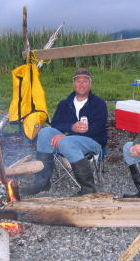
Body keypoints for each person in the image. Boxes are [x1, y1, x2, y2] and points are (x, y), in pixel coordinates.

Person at [20, 68, 108, 196]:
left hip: (93, 141)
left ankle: (88, 190)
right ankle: (42, 182)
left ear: (90, 84)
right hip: (68, 140)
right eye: (78, 81)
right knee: (45, 132)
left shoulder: (98, 104)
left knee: (66, 141)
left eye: (85, 81)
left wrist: (67, 135)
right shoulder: (65, 104)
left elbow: (98, 128)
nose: (81, 84)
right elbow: (56, 124)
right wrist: (71, 127)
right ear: (73, 84)